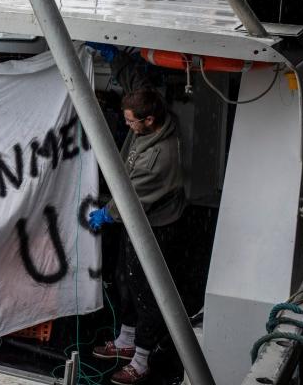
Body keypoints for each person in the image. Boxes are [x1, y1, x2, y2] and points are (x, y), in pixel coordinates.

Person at [87, 49, 186, 385]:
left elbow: (131, 201)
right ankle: (126, 341)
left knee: (148, 291)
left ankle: (142, 359)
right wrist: (114, 58)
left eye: (130, 122)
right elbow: (135, 80)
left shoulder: (158, 158)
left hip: (155, 229)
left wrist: (105, 213)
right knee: (125, 279)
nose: (126, 125)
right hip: (137, 224)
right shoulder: (149, 108)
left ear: (149, 122)